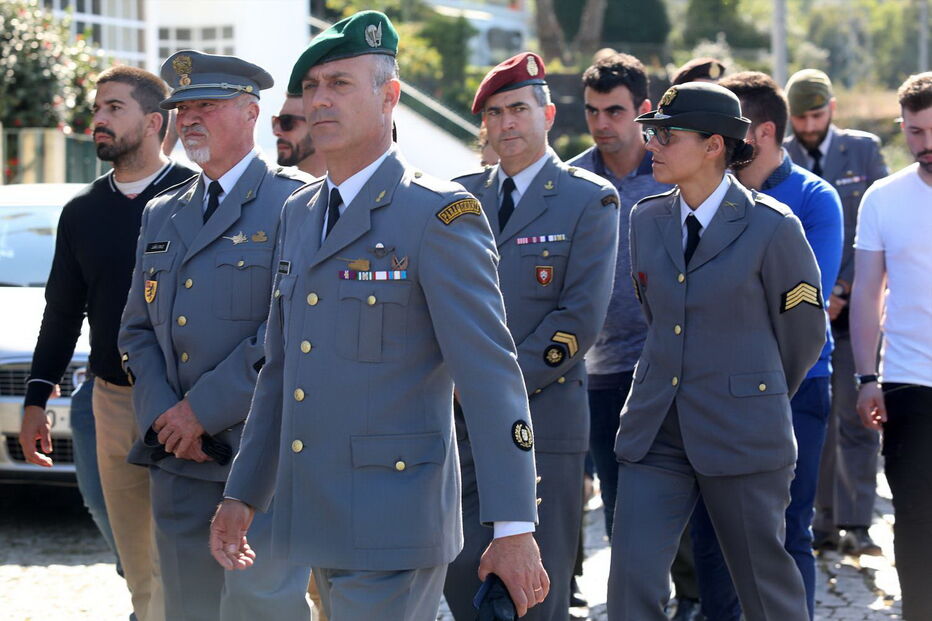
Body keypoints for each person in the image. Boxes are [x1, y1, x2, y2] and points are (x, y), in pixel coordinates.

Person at [209, 11, 549, 621]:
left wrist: (515, 524)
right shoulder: (301, 212)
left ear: (389, 96)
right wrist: (243, 491)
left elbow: (491, 378)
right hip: (312, 513)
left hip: (396, 516)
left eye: (339, 84)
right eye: (311, 87)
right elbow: (281, 372)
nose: (319, 100)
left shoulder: (439, 215)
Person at [607, 82, 826, 621]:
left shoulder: (773, 227)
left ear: (714, 145)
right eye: (651, 132)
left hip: (742, 431)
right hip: (656, 428)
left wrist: (754, 393)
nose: (652, 143)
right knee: (631, 582)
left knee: (765, 590)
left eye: (666, 133)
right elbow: (657, 313)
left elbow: (802, 338)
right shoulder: (645, 217)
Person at [117, 50, 312, 621]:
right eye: (183, 107)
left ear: (251, 113)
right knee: (186, 607)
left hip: (260, 455)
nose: (191, 118)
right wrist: (166, 418)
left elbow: (290, 330)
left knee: (261, 606)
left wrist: (200, 410)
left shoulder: (296, 202)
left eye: (208, 104)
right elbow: (136, 331)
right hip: (178, 457)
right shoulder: (162, 212)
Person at [444, 52, 619, 621]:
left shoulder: (589, 198)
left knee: (535, 594)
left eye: (519, 108)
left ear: (547, 114)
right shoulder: (455, 200)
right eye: (494, 113)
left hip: (543, 421)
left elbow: (578, 319)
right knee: (461, 580)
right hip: (459, 426)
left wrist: (490, 385)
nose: (506, 124)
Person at [18, 65, 195, 621]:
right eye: (96, 108)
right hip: (110, 400)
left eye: (113, 108)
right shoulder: (82, 213)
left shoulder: (196, 200)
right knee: (137, 561)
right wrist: (35, 400)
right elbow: (62, 313)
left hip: (186, 405)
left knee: (183, 553)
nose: (97, 119)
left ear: (154, 123)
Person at [689, 71, 843, 621]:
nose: (719, 142)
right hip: (710, 393)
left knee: (787, 532)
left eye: (732, 131)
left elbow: (800, 310)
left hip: (796, 386)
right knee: (712, 535)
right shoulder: (701, 197)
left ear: (766, 132)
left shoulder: (814, 200)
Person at [566, 52, 702, 621]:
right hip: (600, 368)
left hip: (672, 364)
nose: (602, 123)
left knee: (685, 497)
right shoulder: (572, 180)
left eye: (615, 111)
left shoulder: (674, 170)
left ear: (644, 111)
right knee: (622, 503)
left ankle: (693, 596)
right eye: (594, 111)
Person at [784, 68, 889, 555]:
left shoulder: (863, 150)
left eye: (816, 114)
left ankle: (857, 522)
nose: (809, 124)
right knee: (817, 421)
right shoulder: (779, 155)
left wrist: (843, 286)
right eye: (800, 117)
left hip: (854, 305)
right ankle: (822, 523)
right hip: (802, 309)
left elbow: (875, 223)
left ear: (832, 108)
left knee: (859, 415)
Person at [851, 71, 932, 621]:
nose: (926, 144)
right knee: (917, 517)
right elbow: (866, 292)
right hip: (910, 380)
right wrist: (866, 376)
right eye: (914, 131)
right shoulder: (883, 197)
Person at [273, 93, 327, 177]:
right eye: (275, 122)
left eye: (286, 122)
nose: (277, 132)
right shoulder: (278, 188)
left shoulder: (351, 186)